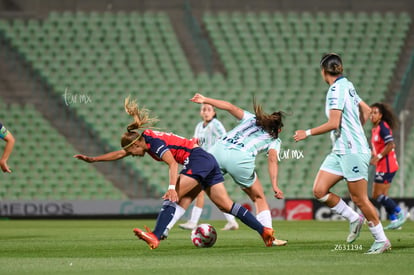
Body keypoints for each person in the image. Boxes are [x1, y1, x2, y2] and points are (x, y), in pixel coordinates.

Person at [74, 97, 276, 249]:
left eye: (132, 151)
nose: (132, 155)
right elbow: (120, 153)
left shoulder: (153, 142)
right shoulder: (146, 141)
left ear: (137, 144)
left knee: (172, 198)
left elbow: (172, 164)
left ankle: (156, 235)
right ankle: (264, 231)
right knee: (227, 205)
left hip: (198, 160)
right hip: (207, 161)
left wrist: (172, 188)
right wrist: (94, 159)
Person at [294, 53, 391, 254]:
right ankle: (354, 218)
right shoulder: (347, 84)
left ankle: (381, 240)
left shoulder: (335, 90)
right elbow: (366, 110)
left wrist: (307, 133)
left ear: (323, 71)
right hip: (340, 150)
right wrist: (356, 127)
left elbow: (333, 123)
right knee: (319, 190)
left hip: (352, 151)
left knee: (360, 199)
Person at [166, 93, 287, 246]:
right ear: (279, 130)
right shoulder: (275, 139)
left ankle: (164, 228)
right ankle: (269, 236)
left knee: (191, 192)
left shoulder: (251, 119)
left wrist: (205, 100)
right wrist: (275, 185)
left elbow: (230, 107)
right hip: (240, 159)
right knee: (258, 197)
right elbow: (272, 159)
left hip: (217, 151)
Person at [179, 103, 239, 231]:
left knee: (200, 190)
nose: (206, 112)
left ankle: (193, 222)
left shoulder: (215, 124)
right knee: (215, 194)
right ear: (201, 112)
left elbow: (225, 138)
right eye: (203, 110)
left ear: (214, 112)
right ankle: (231, 221)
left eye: (208, 110)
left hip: (211, 161)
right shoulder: (199, 126)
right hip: (202, 162)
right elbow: (195, 142)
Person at [370, 102, 408, 229]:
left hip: (387, 165)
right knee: (383, 196)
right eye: (371, 112)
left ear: (380, 115)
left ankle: (400, 212)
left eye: (375, 113)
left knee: (377, 195)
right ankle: (394, 222)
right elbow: (378, 147)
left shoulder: (383, 127)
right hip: (383, 165)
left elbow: (391, 144)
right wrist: (372, 154)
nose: (372, 115)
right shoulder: (375, 129)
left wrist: (378, 157)